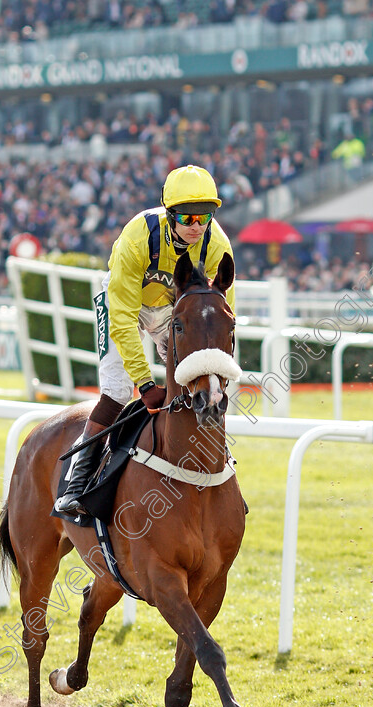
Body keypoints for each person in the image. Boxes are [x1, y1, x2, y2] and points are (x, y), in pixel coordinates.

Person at [55, 164, 236, 516]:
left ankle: (213, 462)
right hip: (128, 306)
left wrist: (219, 373)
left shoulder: (217, 244)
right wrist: (144, 383)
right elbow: (121, 319)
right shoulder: (137, 237)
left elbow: (222, 317)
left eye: (205, 216)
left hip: (174, 310)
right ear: (169, 214)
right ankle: (76, 481)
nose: (197, 226)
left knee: (200, 381)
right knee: (117, 392)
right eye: (187, 217)